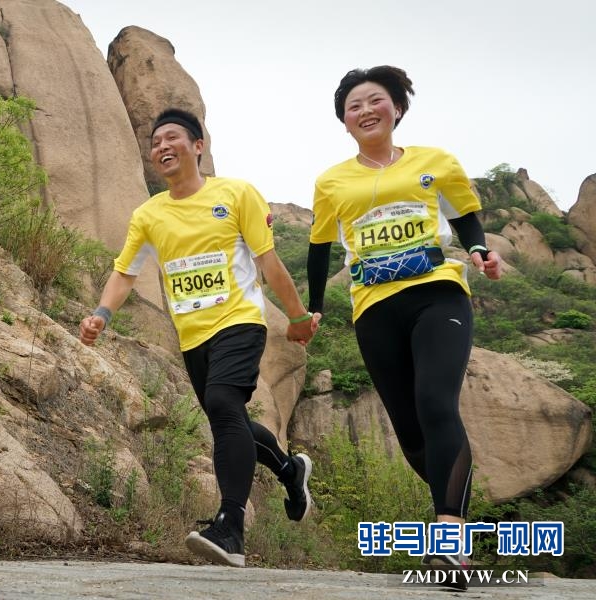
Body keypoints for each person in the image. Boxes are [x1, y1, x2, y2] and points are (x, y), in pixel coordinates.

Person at [80, 108, 320, 568]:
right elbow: (124, 272)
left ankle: (230, 528)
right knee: (227, 418)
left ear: (197, 146)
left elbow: (268, 262)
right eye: (155, 142)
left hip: (239, 321)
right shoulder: (149, 214)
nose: (162, 147)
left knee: (224, 403)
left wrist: (297, 317)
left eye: (172, 138)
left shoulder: (236, 193)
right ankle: (291, 470)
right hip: (192, 337)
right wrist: (100, 315)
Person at [306, 66, 502, 588]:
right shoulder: (331, 181)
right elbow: (319, 248)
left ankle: (450, 538)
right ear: (344, 121)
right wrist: (313, 306)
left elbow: (465, 217)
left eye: (375, 100)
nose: (365, 110)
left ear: (396, 108)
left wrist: (479, 250)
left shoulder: (435, 162)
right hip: (374, 307)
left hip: (438, 293)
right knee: (412, 432)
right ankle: (453, 496)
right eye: (353, 106)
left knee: (436, 402)